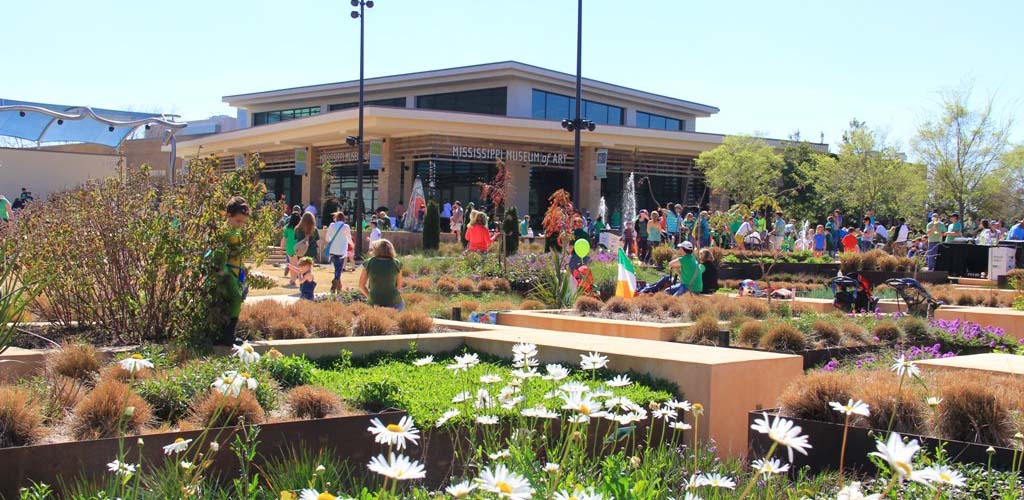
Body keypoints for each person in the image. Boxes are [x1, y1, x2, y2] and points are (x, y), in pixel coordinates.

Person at [215, 196, 251, 345]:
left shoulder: (235, 232)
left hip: (236, 272)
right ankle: (227, 335)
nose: (240, 225)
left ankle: (230, 333)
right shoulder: (225, 232)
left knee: (237, 299)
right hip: (227, 272)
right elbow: (220, 250)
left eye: (242, 222)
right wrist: (222, 269)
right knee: (235, 298)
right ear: (229, 216)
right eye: (238, 221)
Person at [359, 239, 404, 310]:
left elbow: (361, 286)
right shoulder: (397, 263)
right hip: (394, 302)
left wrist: (370, 297)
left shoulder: (369, 263)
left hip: (374, 302)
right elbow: (399, 285)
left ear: (376, 250)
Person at [325, 211, 352, 293]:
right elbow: (349, 238)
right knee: (339, 268)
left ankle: (338, 286)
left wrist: (332, 241)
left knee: (337, 268)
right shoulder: (346, 226)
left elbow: (327, 238)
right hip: (342, 250)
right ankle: (335, 281)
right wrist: (352, 244)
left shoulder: (332, 225)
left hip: (333, 249)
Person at [282, 211, 300, 283]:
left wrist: (281, 248)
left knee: (292, 264)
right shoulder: (300, 227)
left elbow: (284, 239)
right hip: (297, 247)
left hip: (289, 247)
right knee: (295, 264)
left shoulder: (287, 227)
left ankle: (292, 279)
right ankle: (293, 280)